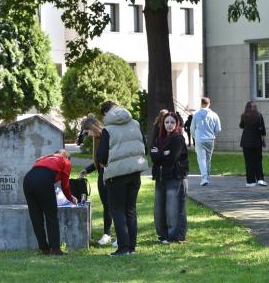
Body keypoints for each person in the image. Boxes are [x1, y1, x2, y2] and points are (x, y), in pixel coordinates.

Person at [96, 101, 148, 256]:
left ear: (107, 114)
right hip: (135, 172)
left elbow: (102, 155)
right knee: (130, 209)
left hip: (116, 175)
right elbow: (143, 144)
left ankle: (123, 247)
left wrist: (105, 163)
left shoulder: (108, 129)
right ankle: (131, 247)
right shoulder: (135, 123)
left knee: (117, 210)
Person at [23, 149, 77, 255]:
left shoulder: (44, 158)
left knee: (36, 216)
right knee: (51, 215)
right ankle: (55, 249)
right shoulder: (66, 161)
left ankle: (44, 248)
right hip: (43, 181)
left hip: (28, 180)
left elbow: (39, 171)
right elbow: (65, 185)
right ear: (67, 157)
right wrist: (71, 198)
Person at [150, 112, 189, 244]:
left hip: (174, 176)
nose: (169, 125)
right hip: (160, 176)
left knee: (173, 207)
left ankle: (175, 235)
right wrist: (162, 154)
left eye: (172, 122)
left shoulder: (178, 139)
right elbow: (153, 157)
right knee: (159, 208)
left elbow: (172, 158)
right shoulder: (158, 139)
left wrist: (159, 155)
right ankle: (163, 234)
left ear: (177, 124)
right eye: (167, 122)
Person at [78, 114, 113, 246]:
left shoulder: (106, 135)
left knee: (112, 205)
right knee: (107, 206)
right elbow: (98, 161)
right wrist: (86, 170)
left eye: (87, 132)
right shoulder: (97, 139)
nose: (88, 135)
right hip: (102, 175)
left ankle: (109, 233)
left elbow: (108, 158)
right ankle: (107, 233)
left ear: (93, 127)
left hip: (109, 175)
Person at [190, 97, 221, 186]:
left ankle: (204, 177)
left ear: (201, 103)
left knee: (201, 159)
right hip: (210, 139)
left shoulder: (196, 114)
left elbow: (192, 128)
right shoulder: (214, 115)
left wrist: (194, 136)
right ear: (209, 104)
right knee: (208, 159)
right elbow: (218, 129)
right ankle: (207, 176)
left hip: (200, 139)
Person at [239, 101, 267, 187]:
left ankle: (250, 181)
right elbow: (262, 129)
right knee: (258, 161)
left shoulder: (243, 116)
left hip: (246, 142)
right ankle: (260, 179)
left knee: (248, 162)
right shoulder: (259, 115)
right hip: (256, 141)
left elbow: (241, 126)